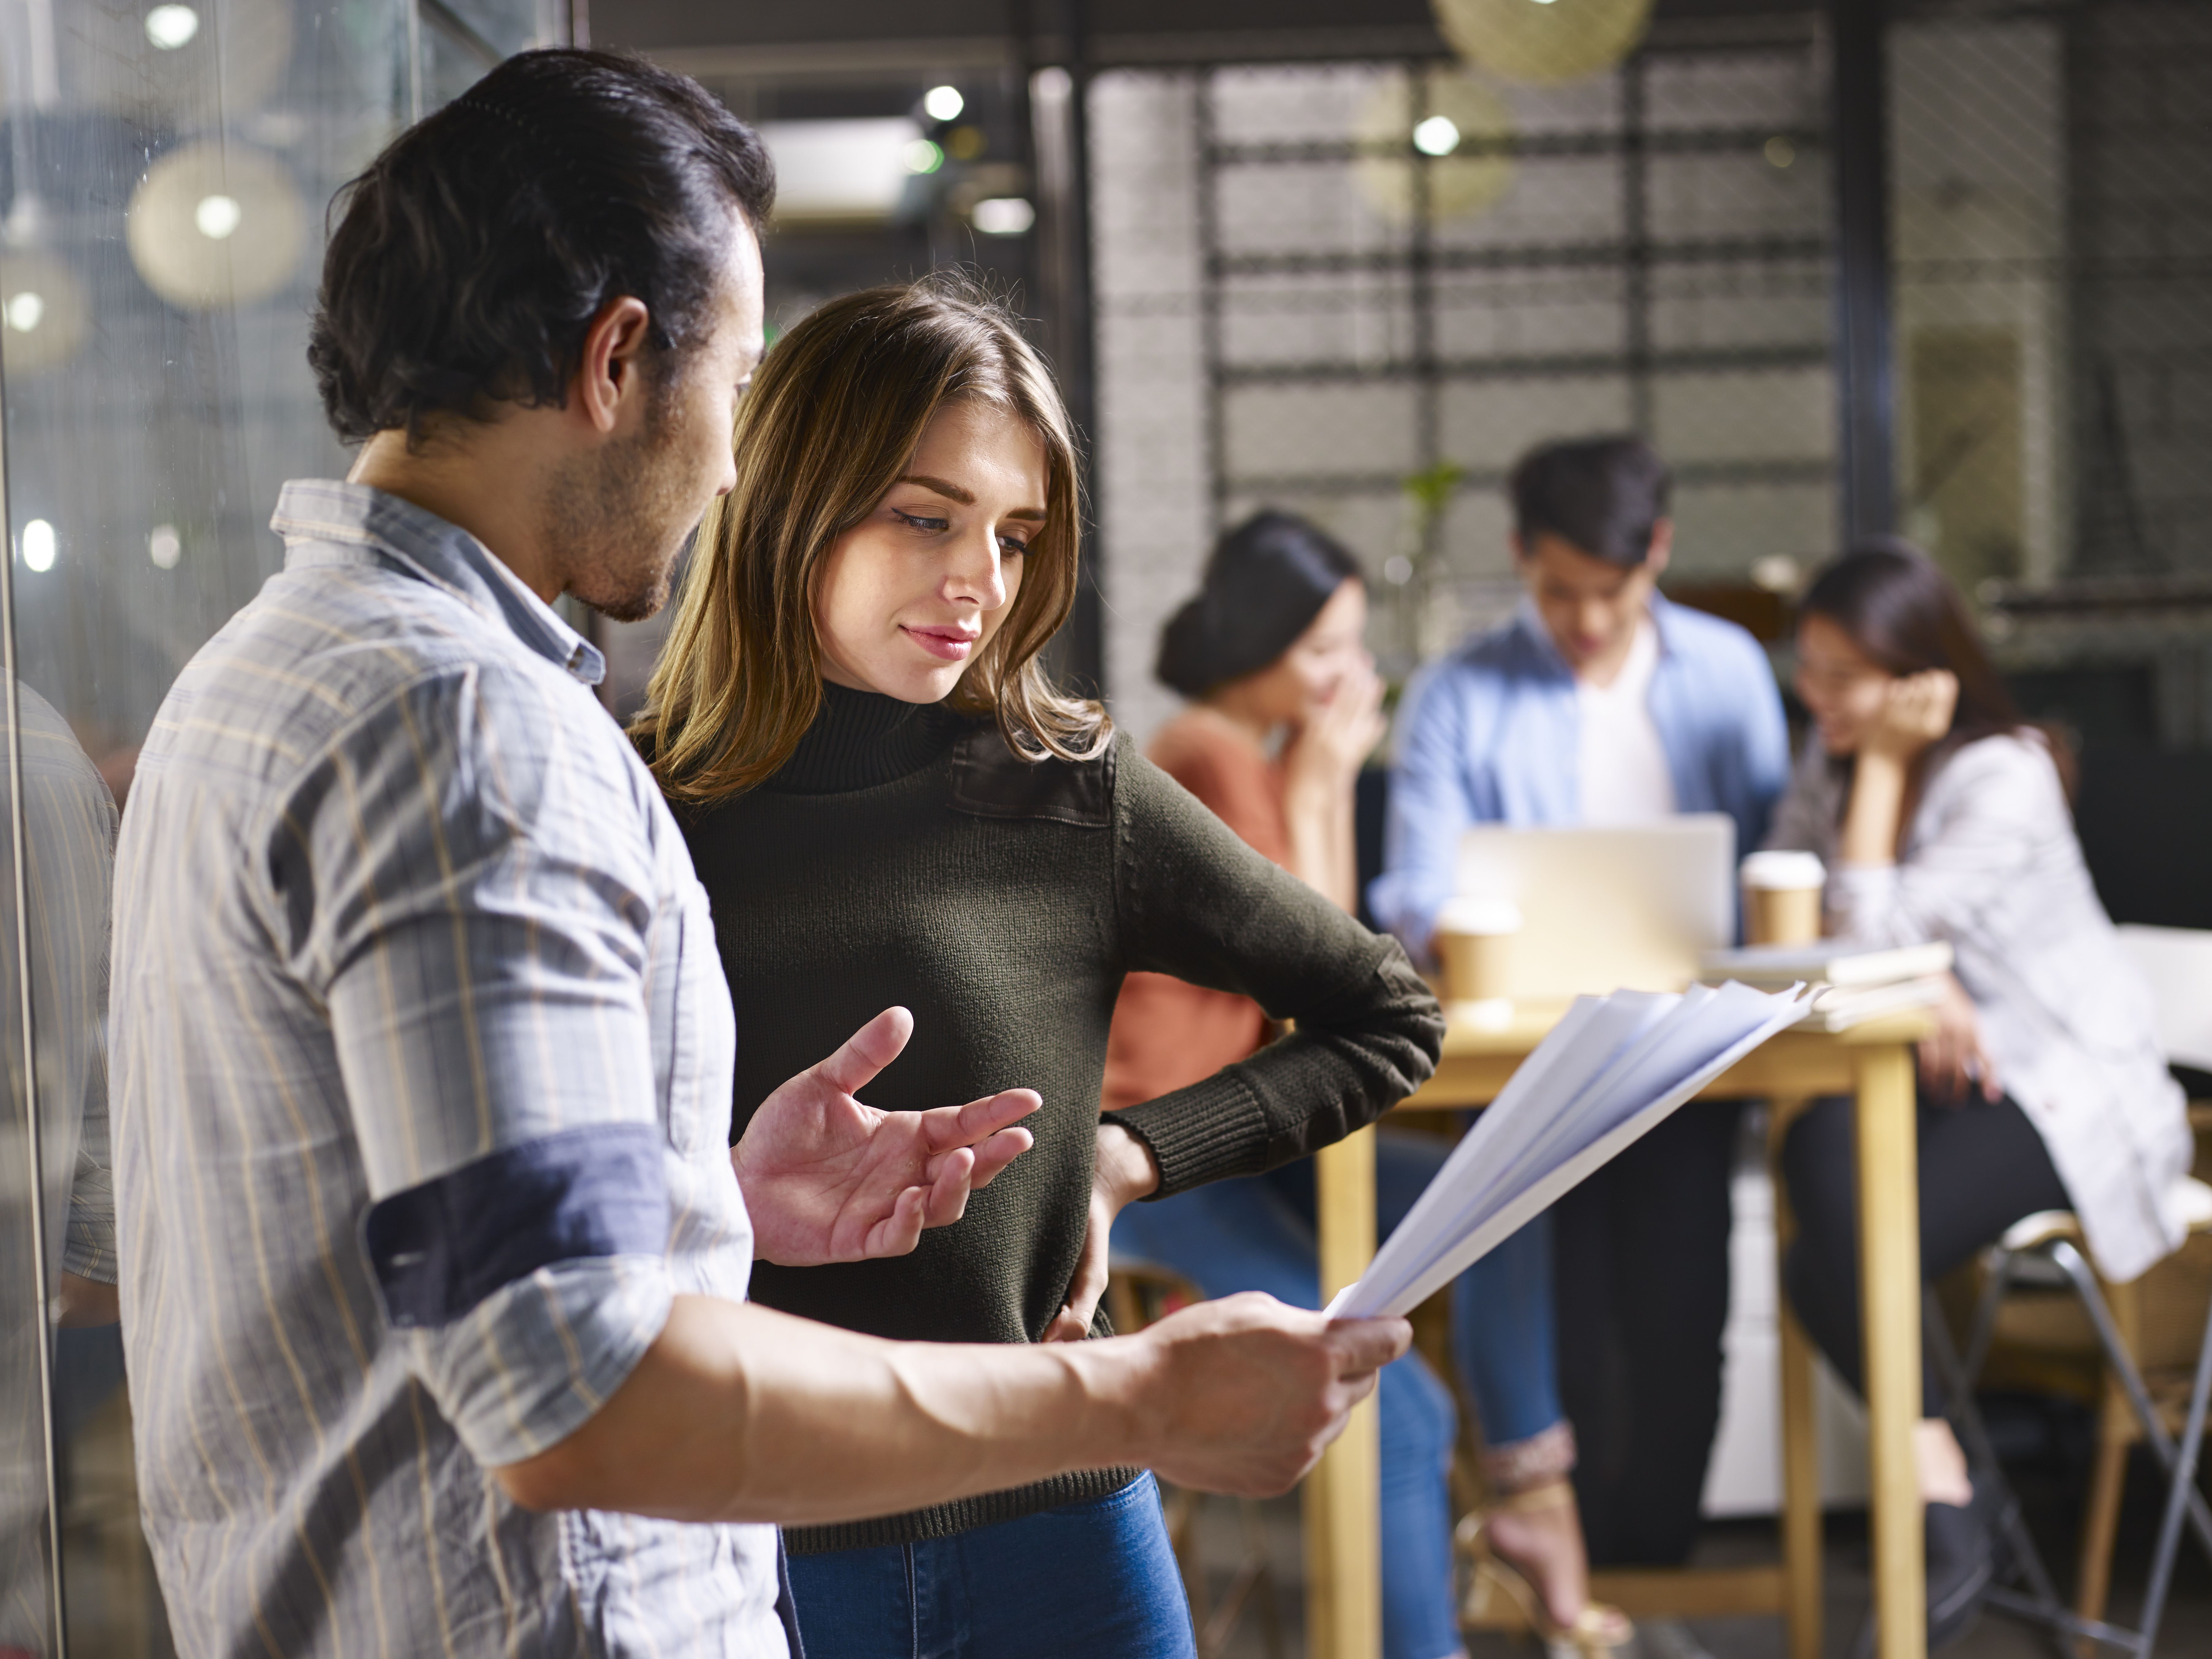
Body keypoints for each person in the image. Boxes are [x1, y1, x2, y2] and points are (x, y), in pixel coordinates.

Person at [105, 51, 1409, 1659]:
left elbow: (418, 1273)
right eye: (736, 391)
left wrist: (713, 1206)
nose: (732, 464)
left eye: (1009, 535)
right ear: (617, 362)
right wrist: (1125, 1397)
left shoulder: (261, 679)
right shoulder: (473, 731)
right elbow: (576, 1399)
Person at [635, 278, 1445, 1659]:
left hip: (1056, 1522)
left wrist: (1125, 1160)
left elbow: (1388, 1015)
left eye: (1014, 535)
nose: (980, 581)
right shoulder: (630, 799)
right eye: (924, 515)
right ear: (786, 498)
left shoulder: (1067, 792)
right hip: (738, 1532)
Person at [1102, 510, 1627, 1659]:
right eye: (1326, 652)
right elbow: (1320, 983)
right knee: (1394, 1406)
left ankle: (1531, 1487)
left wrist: (1325, 780)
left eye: (1354, 647)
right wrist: (1333, 783)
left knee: (1493, 1199)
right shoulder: (1208, 755)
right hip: (1159, 1158)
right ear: (1260, 642)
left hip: (1229, 1136)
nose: (1354, 676)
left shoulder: (1249, 749)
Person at [1371, 435, 1791, 1566]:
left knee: (1678, 1313)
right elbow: (1409, 885)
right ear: (1519, 556)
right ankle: (1575, 1581)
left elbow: (1773, 852)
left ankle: (1642, 1579)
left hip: (1690, 1051)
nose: (1587, 621)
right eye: (1558, 592)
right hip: (1526, 1061)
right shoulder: (1463, 693)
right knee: (1557, 1318)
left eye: (1611, 593)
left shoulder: (1730, 671)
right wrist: (1461, 917)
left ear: (1656, 553)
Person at [1766, 538, 2192, 1648]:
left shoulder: (2004, 772)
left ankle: (1952, 1513)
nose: (1816, 700)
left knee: (1835, 1252)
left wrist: (1887, 786)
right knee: (1818, 1163)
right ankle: (1951, 1495)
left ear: (1921, 675)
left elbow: (1853, 935)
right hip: (1950, 1083)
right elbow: (1779, 907)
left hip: (2064, 1087)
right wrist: (1930, 968)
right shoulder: (1831, 753)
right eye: (1805, 672)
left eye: (1840, 677)